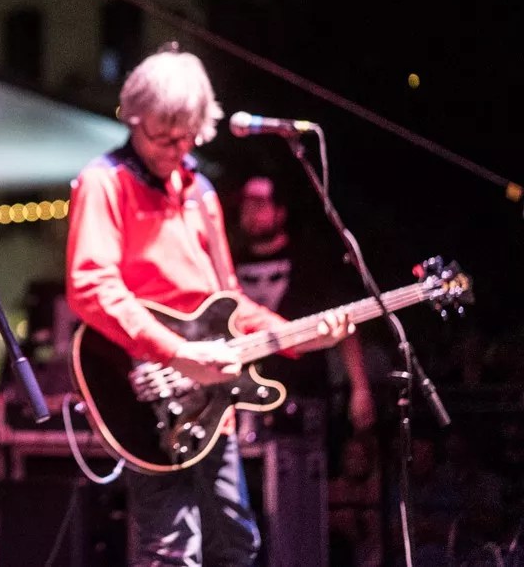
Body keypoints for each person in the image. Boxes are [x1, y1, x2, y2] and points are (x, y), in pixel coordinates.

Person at [65, 46, 354, 567]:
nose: (174, 148)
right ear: (133, 119)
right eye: (160, 135)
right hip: (145, 386)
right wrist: (175, 353)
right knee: (173, 551)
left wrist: (299, 336)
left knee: (237, 544)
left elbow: (228, 301)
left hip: (210, 401)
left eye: (186, 137)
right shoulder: (104, 182)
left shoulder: (200, 192)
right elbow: (92, 286)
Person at [232, 175, 376, 437]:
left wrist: (360, 388)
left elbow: (345, 321)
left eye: (260, 205)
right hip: (240, 400)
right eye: (246, 206)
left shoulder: (309, 260)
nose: (251, 213)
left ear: (280, 212)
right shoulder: (229, 262)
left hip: (303, 395)